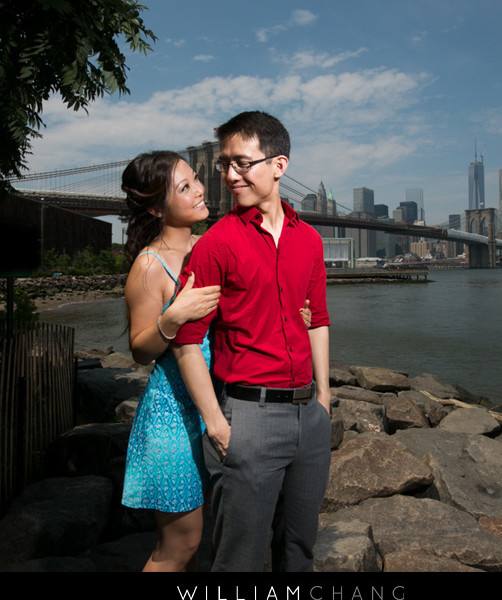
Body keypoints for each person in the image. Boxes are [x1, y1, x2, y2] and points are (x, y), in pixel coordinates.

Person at [172, 111, 332, 572]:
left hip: (310, 417)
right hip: (249, 417)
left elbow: (318, 319)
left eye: (241, 163)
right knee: (237, 561)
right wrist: (217, 423)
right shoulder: (215, 245)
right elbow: (187, 342)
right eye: (224, 164)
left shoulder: (311, 242)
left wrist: (323, 395)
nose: (228, 175)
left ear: (278, 165)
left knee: (299, 549)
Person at [119, 150, 221, 572]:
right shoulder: (149, 266)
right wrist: (172, 318)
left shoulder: (211, 245)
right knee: (180, 545)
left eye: (195, 178)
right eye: (185, 187)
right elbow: (141, 351)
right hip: (172, 419)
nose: (200, 189)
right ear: (156, 208)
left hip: (215, 404)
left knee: (198, 547)